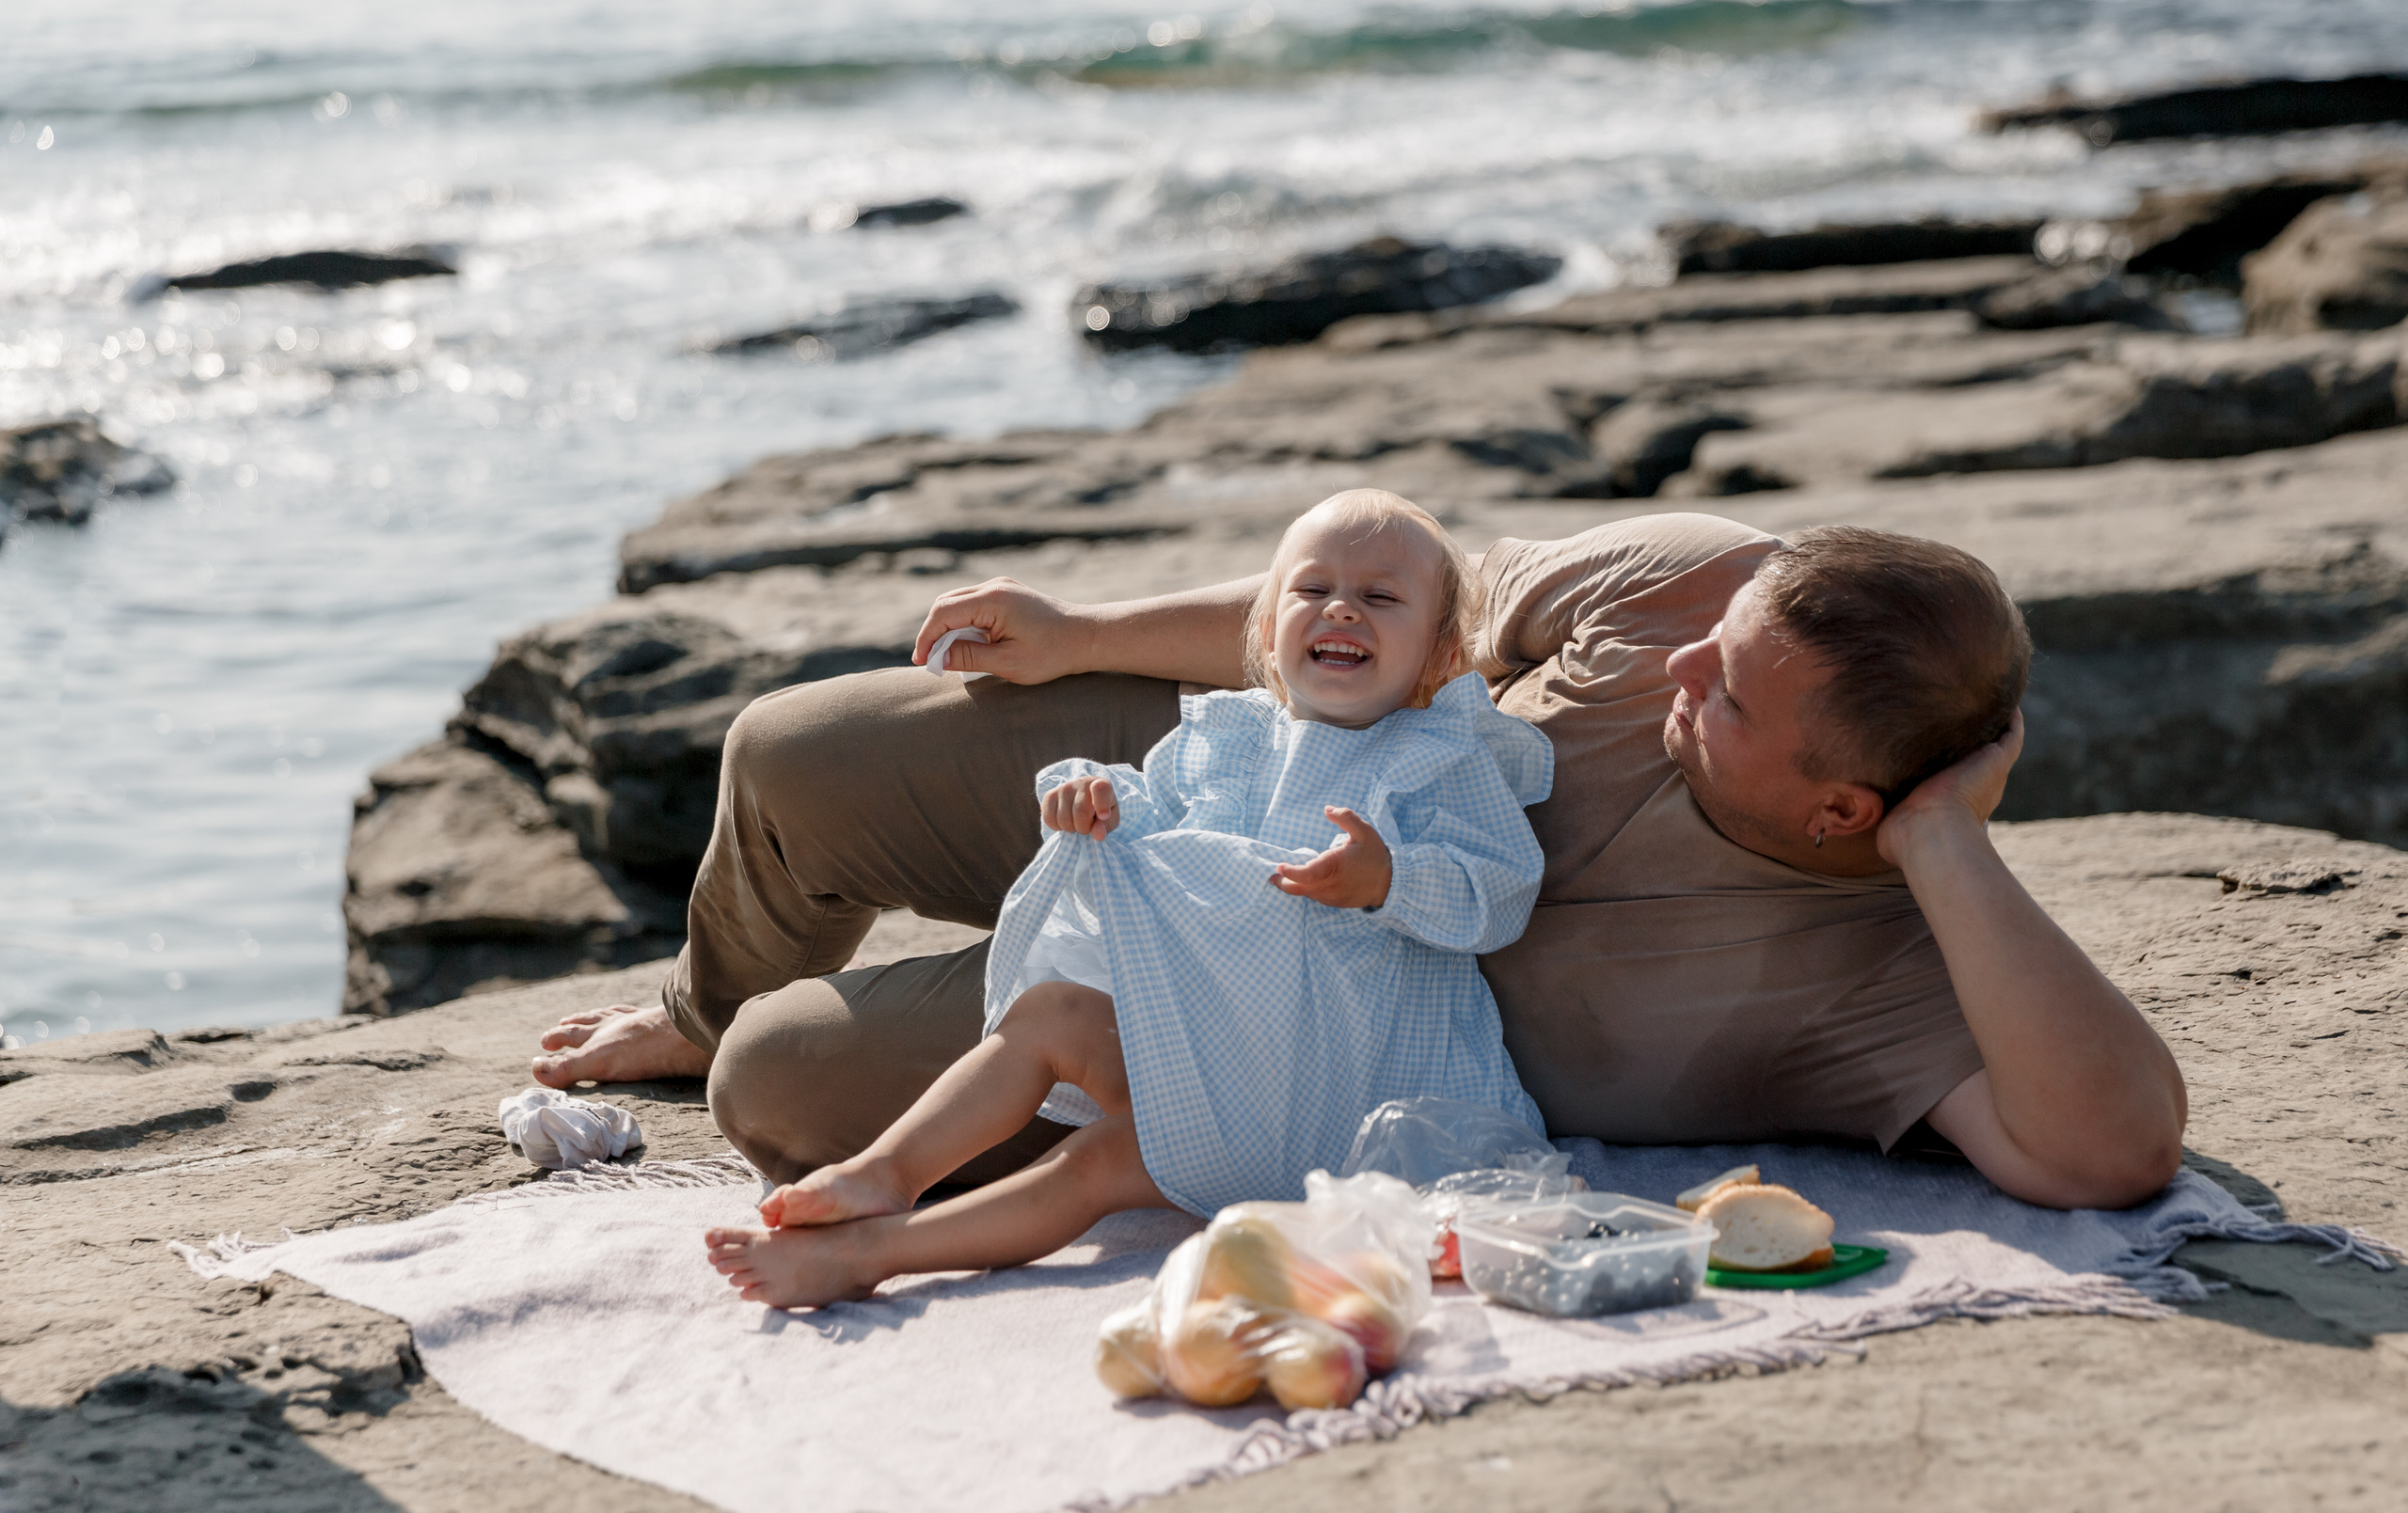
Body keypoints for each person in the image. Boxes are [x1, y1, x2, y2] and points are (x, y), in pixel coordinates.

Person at [532, 512, 2188, 1214]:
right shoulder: (1697, 586)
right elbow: (1425, 591)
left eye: (1731, 695)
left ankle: (733, 1032)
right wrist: (1089, 631)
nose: (1688, 664)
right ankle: (698, 986)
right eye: (1716, 641)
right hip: (1250, 759)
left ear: (1852, 811)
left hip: (1255, 1009)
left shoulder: (1890, 971)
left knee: (784, 1081)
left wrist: (1951, 849)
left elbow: (2110, 1151)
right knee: (795, 751)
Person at [702, 491, 1551, 1308]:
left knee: (1100, 1162)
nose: (1340, 611)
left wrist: (1388, 879)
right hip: (1211, 1040)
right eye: (1313, 591)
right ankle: (885, 1173)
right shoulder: (1232, 733)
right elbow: (1165, 820)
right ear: (1263, 630)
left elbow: (1501, 888)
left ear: (1442, 657)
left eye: (1379, 597)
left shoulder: (1441, 755)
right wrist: (1104, 804)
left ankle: (871, 1255)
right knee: (1050, 1014)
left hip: (1330, 1097)